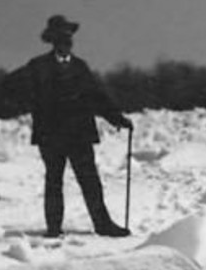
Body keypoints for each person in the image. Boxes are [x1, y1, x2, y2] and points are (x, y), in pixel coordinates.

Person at [8, 14, 133, 238]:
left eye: (68, 38)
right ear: (52, 40)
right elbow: (11, 87)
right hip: (51, 135)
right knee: (54, 181)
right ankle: (54, 228)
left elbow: (97, 96)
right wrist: (31, 104)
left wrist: (117, 119)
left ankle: (103, 225)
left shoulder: (80, 67)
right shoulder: (37, 67)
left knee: (90, 181)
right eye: (60, 39)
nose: (65, 43)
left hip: (79, 135)